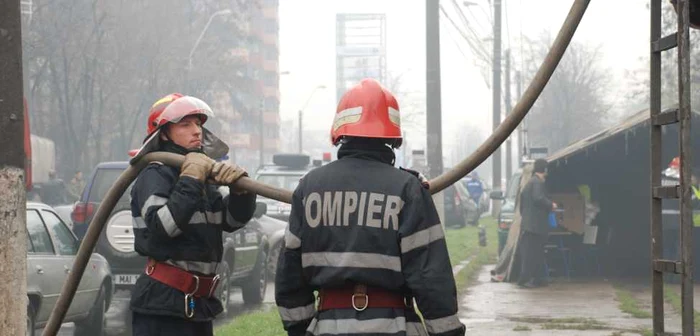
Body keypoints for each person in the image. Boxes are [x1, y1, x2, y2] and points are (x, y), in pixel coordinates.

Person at [275, 79, 465, 336]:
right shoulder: (408, 189)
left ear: (341, 131)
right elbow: (431, 277)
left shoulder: (309, 188)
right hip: (395, 325)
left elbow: (290, 275)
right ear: (393, 138)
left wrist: (301, 329)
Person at [129, 93, 256, 336]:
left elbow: (229, 221)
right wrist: (190, 179)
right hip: (162, 306)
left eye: (198, 123)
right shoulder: (155, 173)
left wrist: (241, 193)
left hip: (196, 305)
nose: (196, 131)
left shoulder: (201, 176)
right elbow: (164, 227)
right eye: (185, 124)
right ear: (164, 133)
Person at [517, 158, 556, 288]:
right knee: (531, 254)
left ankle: (540, 278)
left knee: (537, 253)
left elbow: (522, 203)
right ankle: (525, 280)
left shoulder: (530, 182)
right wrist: (551, 205)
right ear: (544, 169)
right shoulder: (537, 183)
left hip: (530, 225)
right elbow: (538, 198)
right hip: (535, 226)